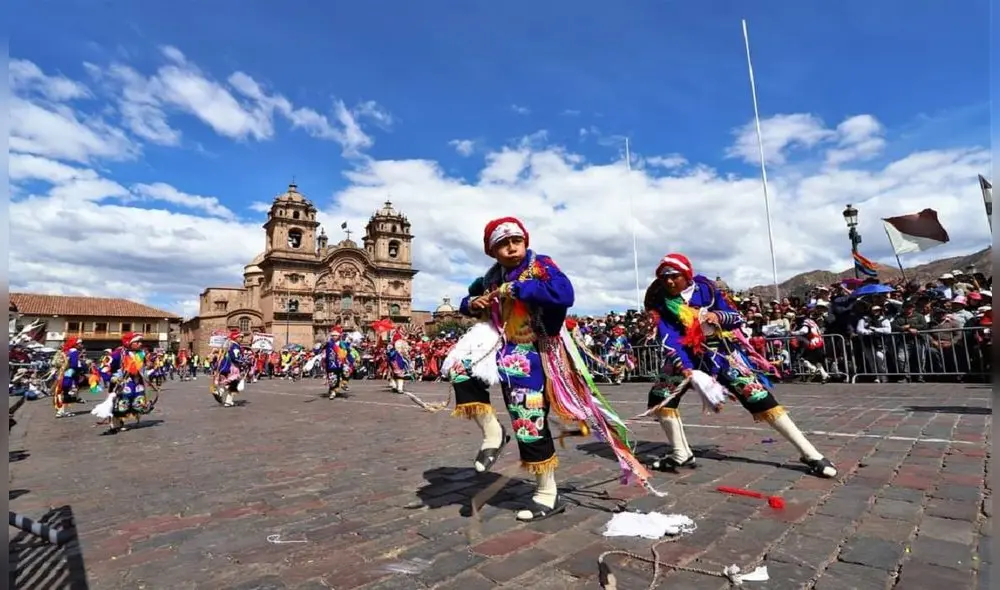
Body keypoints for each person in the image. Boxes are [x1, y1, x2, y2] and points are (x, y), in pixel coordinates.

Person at [455, 217, 656, 522]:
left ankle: (547, 493)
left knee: (528, 418)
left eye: (516, 241)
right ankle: (493, 434)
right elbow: (466, 300)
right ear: (492, 251)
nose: (511, 248)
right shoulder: (490, 276)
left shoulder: (542, 265)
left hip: (534, 352)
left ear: (525, 241)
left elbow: (564, 294)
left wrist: (521, 289)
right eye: (502, 244)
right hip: (500, 345)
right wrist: (473, 302)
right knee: (459, 368)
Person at [645, 253, 837, 478]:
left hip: (722, 354)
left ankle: (810, 453)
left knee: (760, 398)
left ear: (686, 274)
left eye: (674, 276)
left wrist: (717, 317)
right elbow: (667, 336)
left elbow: (735, 317)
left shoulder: (706, 289)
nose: (668, 281)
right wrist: (688, 369)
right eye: (663, 277)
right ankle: (680, 453)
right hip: (684, 357)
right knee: (660, 398)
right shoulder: (658, 299)